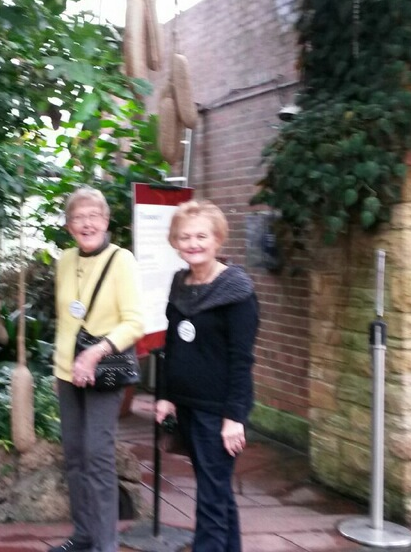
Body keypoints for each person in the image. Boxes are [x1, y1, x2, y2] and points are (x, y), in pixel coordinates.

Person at [155, 200, 259, 552]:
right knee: (217, 491)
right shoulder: (180, 284)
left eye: (201, 236)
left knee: (211, 500)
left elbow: (242, 360)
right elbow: (172, 343)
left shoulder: (237, 292)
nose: (193, 243)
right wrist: (165, 395)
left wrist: (235, 417)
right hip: (187, 404)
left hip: (217, 411)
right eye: (184, 237)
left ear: (217, 240)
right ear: (175, 242)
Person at [51, 187, 144, 552]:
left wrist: (94, 354)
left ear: (106, 221)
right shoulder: (64, 260)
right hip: (68, 374)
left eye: (94, 216)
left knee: (97, 456)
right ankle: (84, 534)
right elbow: (65, 322)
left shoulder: (122, 261)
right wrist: (59, 370)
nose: (86, 223)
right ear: (69, 225)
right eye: (78, 217)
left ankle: (106, 544)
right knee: (74, 456)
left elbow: (134, 323)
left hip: (104, 371)